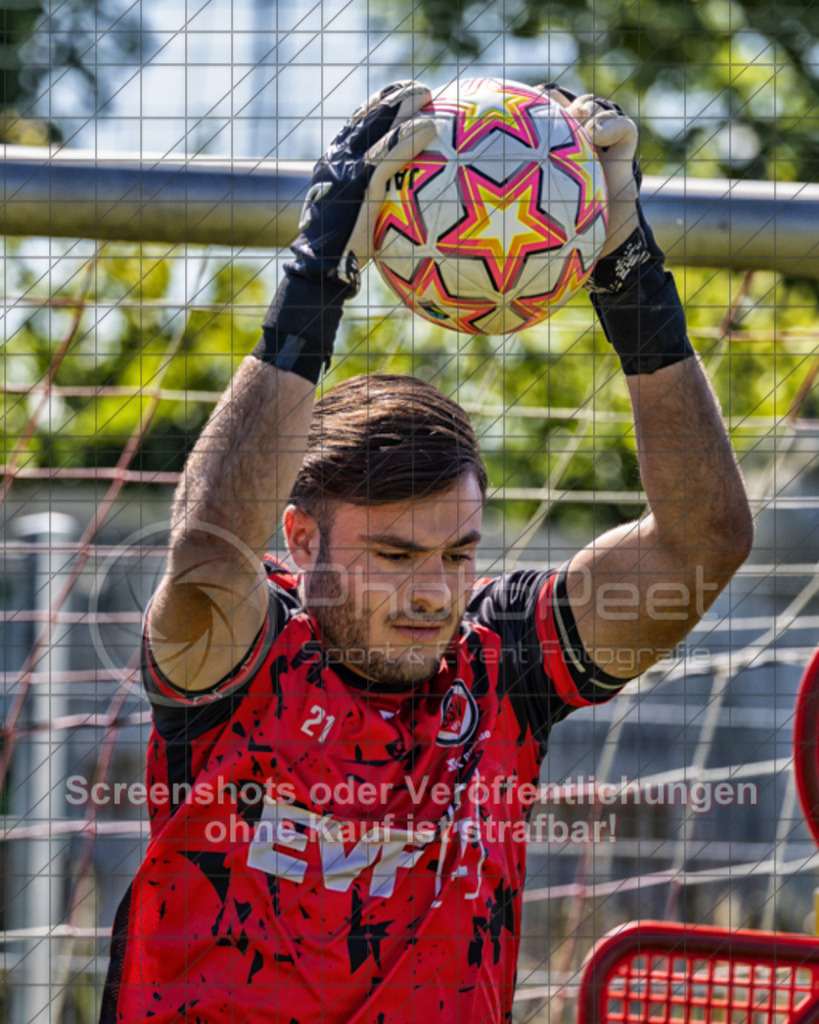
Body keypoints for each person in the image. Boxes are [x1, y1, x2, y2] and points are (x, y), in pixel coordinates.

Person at [99, 82, 753, 1023]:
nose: (431, 593)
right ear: (299, 538)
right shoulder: (237, 652)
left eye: (456, 555)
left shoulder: (504, 667)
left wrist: (631, 278)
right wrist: (316, 273)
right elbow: (206, 549)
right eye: (395, 555)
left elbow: (705, 542)